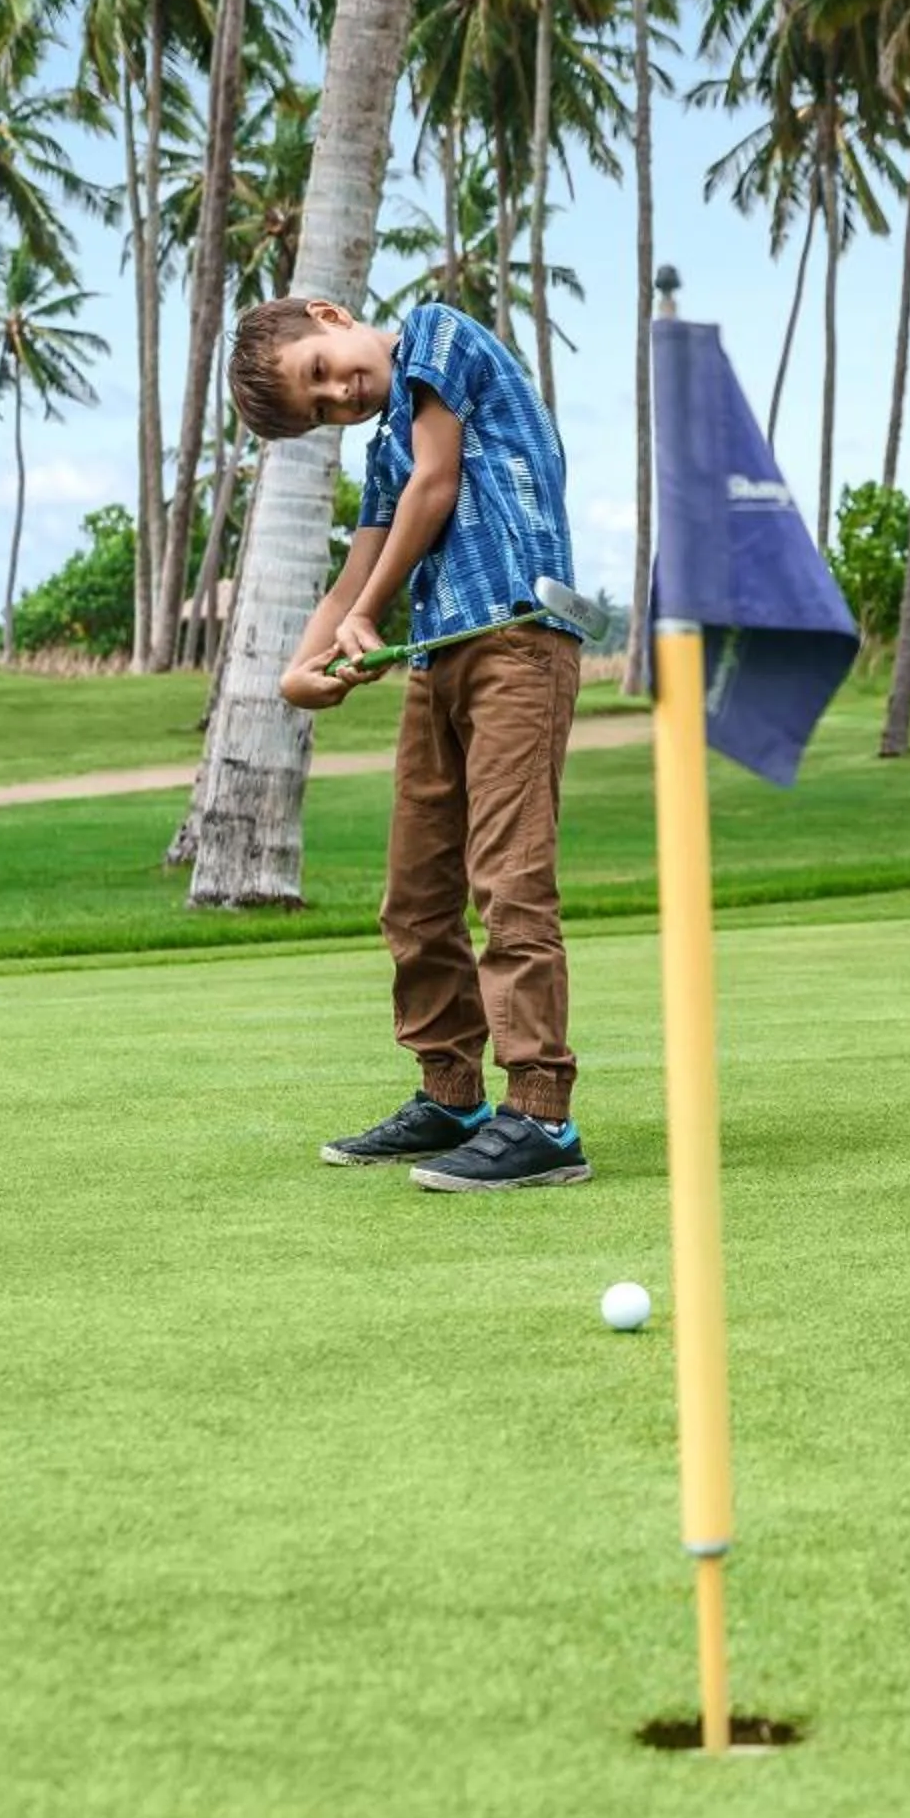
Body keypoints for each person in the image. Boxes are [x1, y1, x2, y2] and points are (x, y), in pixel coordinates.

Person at [227, 295, 595, 1192]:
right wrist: (297, 671)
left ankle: (542, 1115)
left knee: (509, 879)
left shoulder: (434, 333)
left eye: (322, 373)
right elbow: (358, 569)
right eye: (319, 410)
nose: (337, 397)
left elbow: (439, 485)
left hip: (517, 640)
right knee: (416, 892)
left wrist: (357, 620)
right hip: (439, 662)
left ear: (331, 315)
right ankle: (452, 1095)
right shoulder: (384, 440)